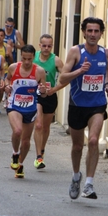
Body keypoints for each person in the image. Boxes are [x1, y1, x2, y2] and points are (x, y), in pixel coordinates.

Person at [59, 17, 108, 200]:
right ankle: (76, 177)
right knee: (77, 147)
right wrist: (79, 71)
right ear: (84, 32)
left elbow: (107, 71)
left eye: (96, 31)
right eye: (89, 31)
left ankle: (89, 184)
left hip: (97, 104)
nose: (92, 34)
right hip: (77, 105)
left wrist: (107, 85)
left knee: (92, 141)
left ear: (101, 33)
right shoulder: (76, 52)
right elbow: (62, 78)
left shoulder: (106, 53)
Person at [4, 44, 46, 178]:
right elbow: (7, 79)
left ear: (34, 57)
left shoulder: (39, 71)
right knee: (17, 131)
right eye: (24, 59)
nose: (27, 62)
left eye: (29, 59)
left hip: (30, 108)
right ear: (21, 57)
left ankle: (20, 164)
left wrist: (44, 91)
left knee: (26, 141)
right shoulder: (13, 67)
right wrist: (6, 86)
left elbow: (43, 93)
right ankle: (15, 154)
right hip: (14, 105)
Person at [32, 34, 64, 169]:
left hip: (50, 95)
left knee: (45, 127)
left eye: (49, 46)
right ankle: (38, 157)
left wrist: (55, 89)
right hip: (35, 94)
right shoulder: (33, 57)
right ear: (39, 45)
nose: (46, 48)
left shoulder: (56, 60)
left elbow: (65, 77)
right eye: (44, 45)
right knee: (38, 125)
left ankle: (42, 149)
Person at [0, 28, 13, 114]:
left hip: (4, 71)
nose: (0, 38)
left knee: (1, 89)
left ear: (4, 36)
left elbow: (12, 61)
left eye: (2, 36)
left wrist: (9, 56)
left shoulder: (7, 47)